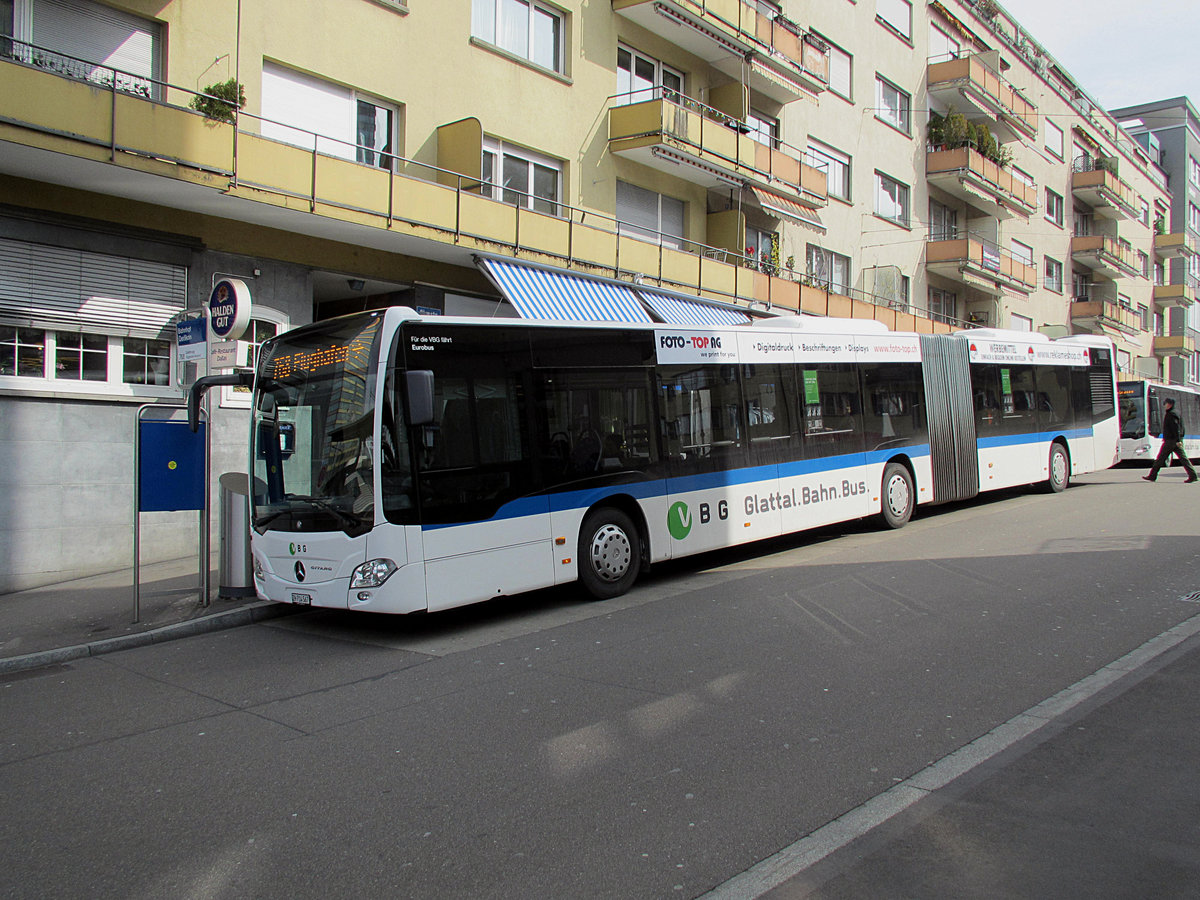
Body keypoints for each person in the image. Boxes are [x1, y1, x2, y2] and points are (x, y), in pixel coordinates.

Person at [1143, 397, 1197, 483]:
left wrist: (1178, 440)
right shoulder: (1176, 413)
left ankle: (1152, 476)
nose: (1164, 405)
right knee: (1183, 459)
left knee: (1160, 458)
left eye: (1166, 403)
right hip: (1174, 440)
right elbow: (1181, 428)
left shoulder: (1171, 414)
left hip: (1171, 441)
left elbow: (1176, 428)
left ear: (1170, 404)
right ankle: (1193, 475)